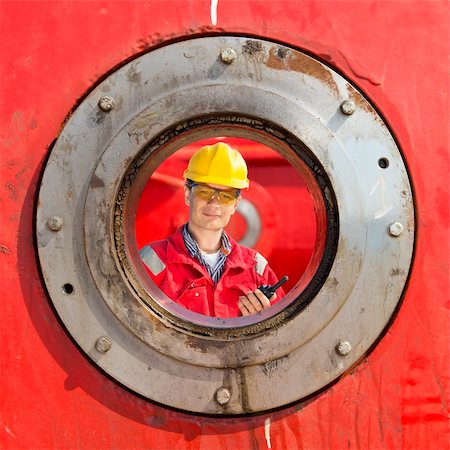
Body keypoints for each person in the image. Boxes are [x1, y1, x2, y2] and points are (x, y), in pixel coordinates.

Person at [140, 142, 284, 318]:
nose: (214, 203)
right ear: (187, 194)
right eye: (204, 192)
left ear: (236, 204)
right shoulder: (152, 262)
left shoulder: (256, 269)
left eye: (226, 196)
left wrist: (260, 322)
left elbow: (279, 336)